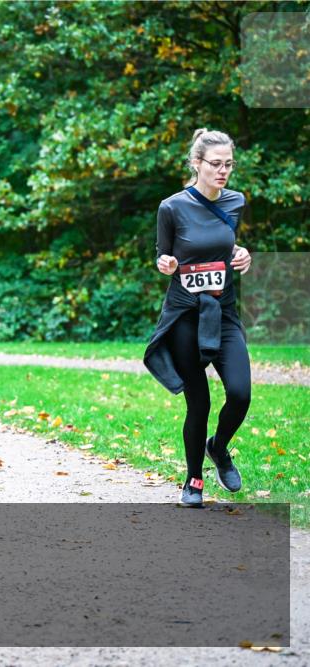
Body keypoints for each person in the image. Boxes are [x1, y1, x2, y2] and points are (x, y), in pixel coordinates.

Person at [143, 128, 253, 508]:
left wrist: (241, 254)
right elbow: (163, 255)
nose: (223, 171)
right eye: (216, 164)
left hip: (222, 313)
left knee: (240, 393)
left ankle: (218, 447)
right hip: (186, 316)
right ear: (197, 163)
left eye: (228, 165)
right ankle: (193, 480)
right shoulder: (171, 207)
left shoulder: (235, 202)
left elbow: (225, 245)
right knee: (199, 403)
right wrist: (167, 264)